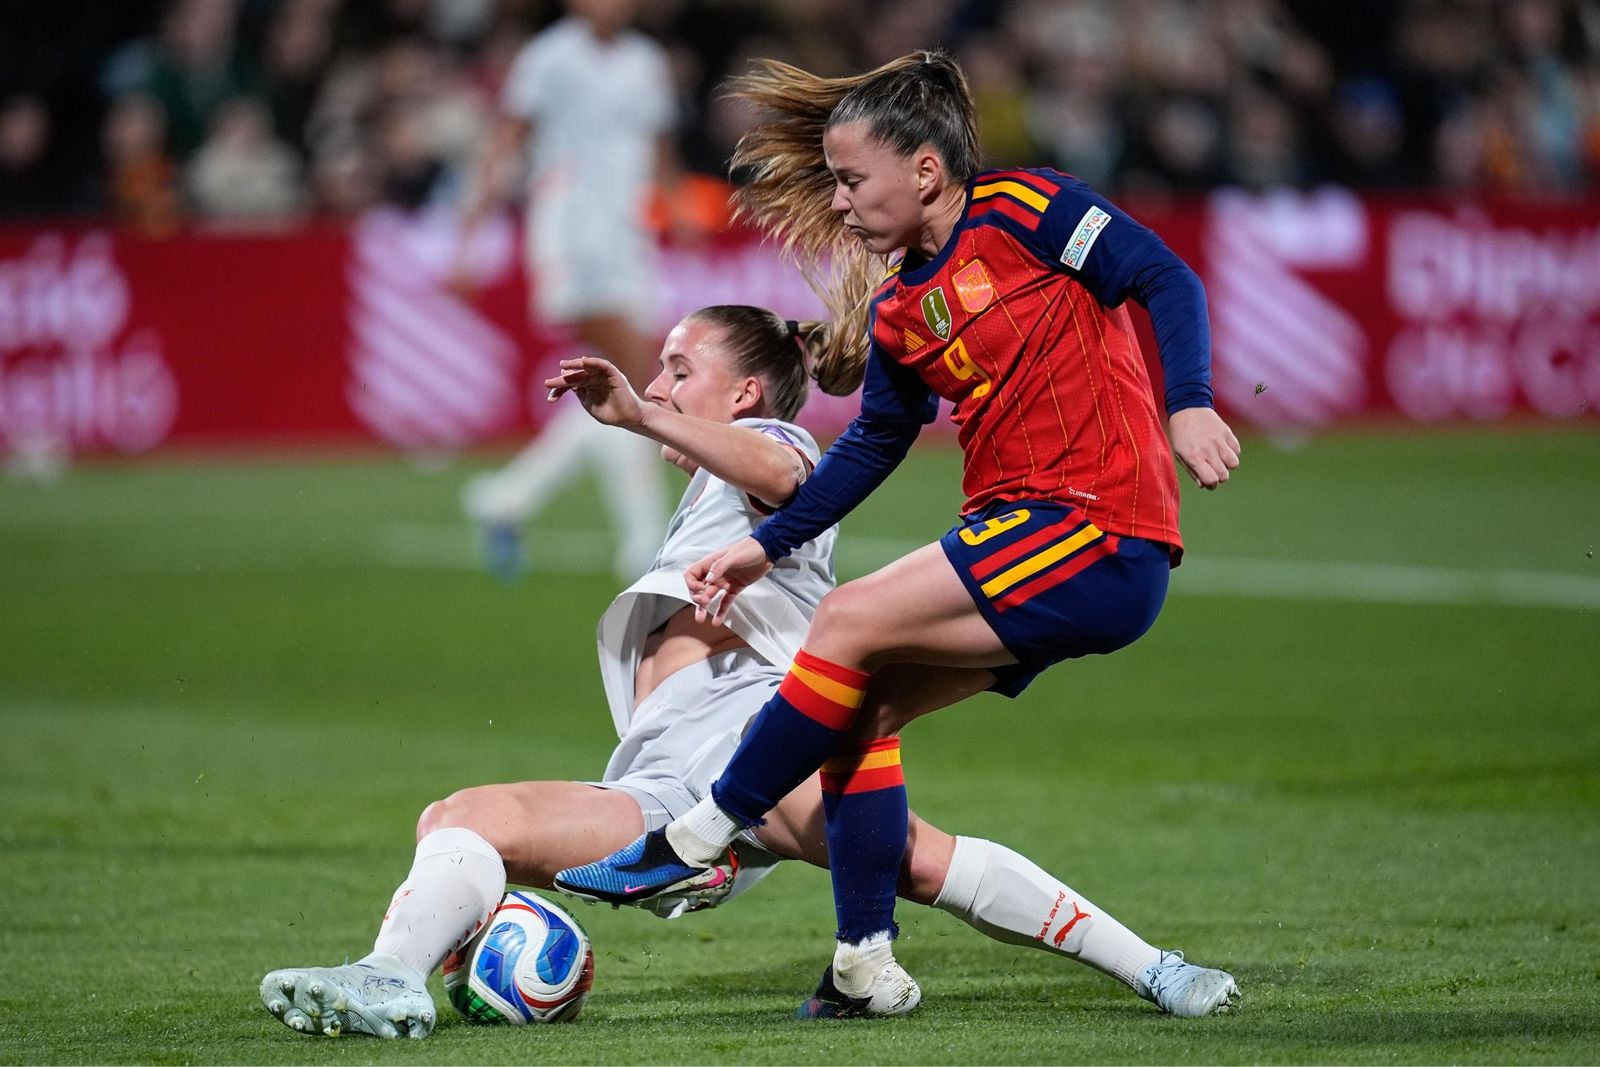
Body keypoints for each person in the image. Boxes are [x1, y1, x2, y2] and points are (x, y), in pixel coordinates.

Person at [258, 305, 1234, 1040]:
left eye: (681, 368)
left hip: (752, 742)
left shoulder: (771, 445)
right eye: (661, 371)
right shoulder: (707, 486)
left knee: (919, 860)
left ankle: (1156, 966)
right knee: (462, 815)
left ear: (743, 396)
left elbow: (790, 478)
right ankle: (388, 973)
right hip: (655, 779)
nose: (663, 380)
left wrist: (640, 417)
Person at [555, 52, 1244, 1019]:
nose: (839, 204)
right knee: (856, 708)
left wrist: (1190, 405)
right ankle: (862, 962)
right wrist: (765, 543)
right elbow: (872, 445)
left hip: (1094, 526)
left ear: (925, 170)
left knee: (846, 617)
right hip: (1017, 534)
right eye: (832, 182)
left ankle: (696, 836)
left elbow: (1163, 276)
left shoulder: (1028, 211)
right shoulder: (897, 310)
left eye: (851, 179)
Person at [455, 0, 678, 583]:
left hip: (627, 231)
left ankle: (506, 498)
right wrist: (469, 238)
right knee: (639, 373)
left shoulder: (645, 62)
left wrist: (675, 204)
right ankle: (643, 541)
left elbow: (657, 142)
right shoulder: (548, 57)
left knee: (626, 378)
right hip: (569, 227)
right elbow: (506, 141)